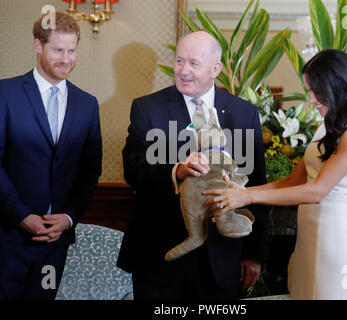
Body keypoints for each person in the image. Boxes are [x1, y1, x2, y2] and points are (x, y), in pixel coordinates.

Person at [204, 49, 347, 300]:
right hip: (309, 237)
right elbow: (292, 181)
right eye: (308, 90)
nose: (310, 100)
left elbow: (317, 192)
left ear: (337, 85)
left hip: (336, 243)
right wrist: (241, 192)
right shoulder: (328, 123)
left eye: (314, 91)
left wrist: (247, 199)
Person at [117, 31, 270, 300]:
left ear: (215, 69)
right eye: (179, 61)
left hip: (222, 258)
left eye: (193, 63)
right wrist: (175, 171)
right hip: (160, 256)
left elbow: (256, 186)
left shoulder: (244, 113)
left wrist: (253, 255)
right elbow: (133, 168)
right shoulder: (147, 108)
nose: (183, 70)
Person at [0, 12, 102, 300]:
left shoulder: (87, 104)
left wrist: (69, 218)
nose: (66, 59)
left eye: (72, 50)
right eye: (58, 50)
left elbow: (90, 170)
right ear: (37, 47)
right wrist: (21, 216)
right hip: (7, 236)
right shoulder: (4, 94)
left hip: (55, 243)